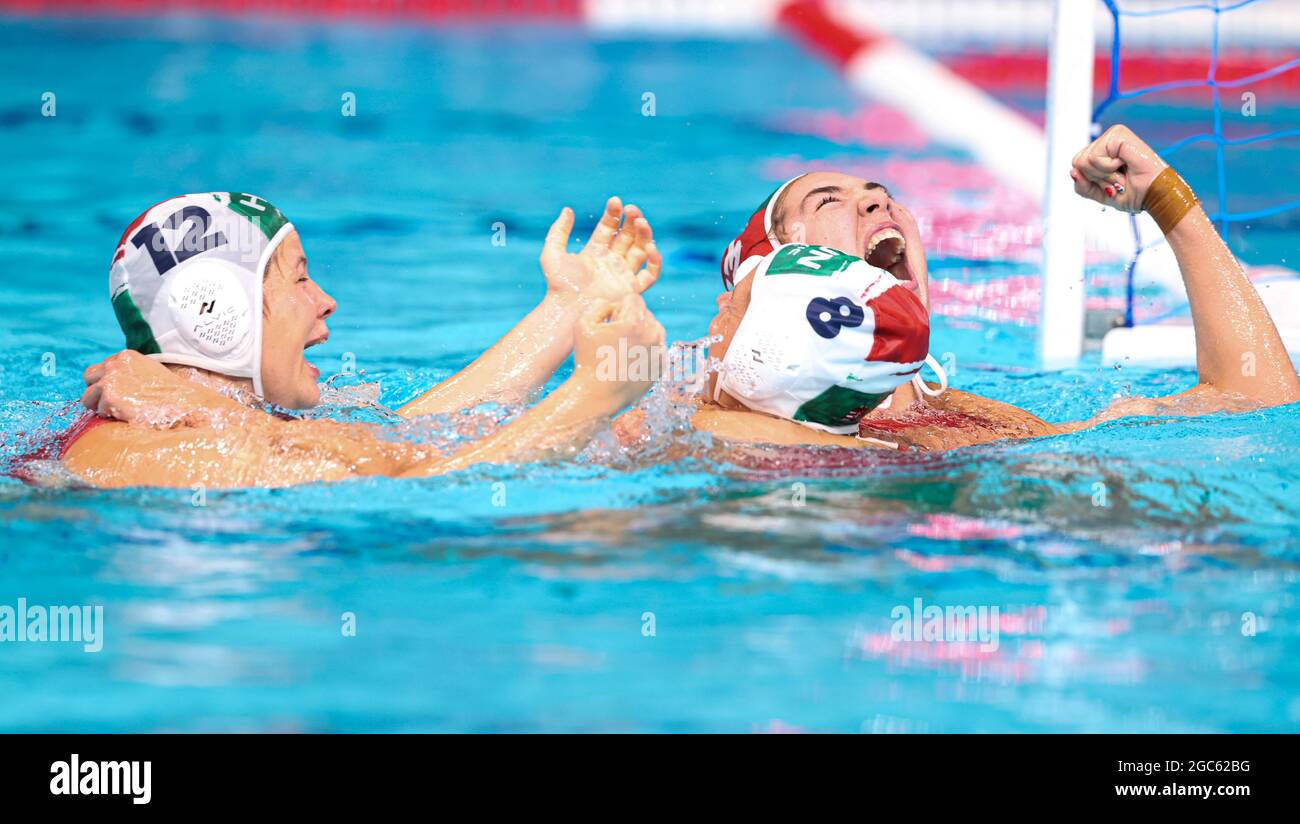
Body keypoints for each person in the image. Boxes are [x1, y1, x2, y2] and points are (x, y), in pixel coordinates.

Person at [652, 124, 1299, 451]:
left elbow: (1259, 402)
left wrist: (1166, 201)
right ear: (769, 280)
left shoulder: (975, 422)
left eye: (883, 196)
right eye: (830, 201)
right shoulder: (698, 427)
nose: (880, 206)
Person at [62, 193, 666, 487]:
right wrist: (592, 399)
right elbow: (424, 488)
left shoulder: (205, 422)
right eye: (298, 277)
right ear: (215, 312)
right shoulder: (142, 454)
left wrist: (566, 311)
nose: (325, 300)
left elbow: (402, 443)